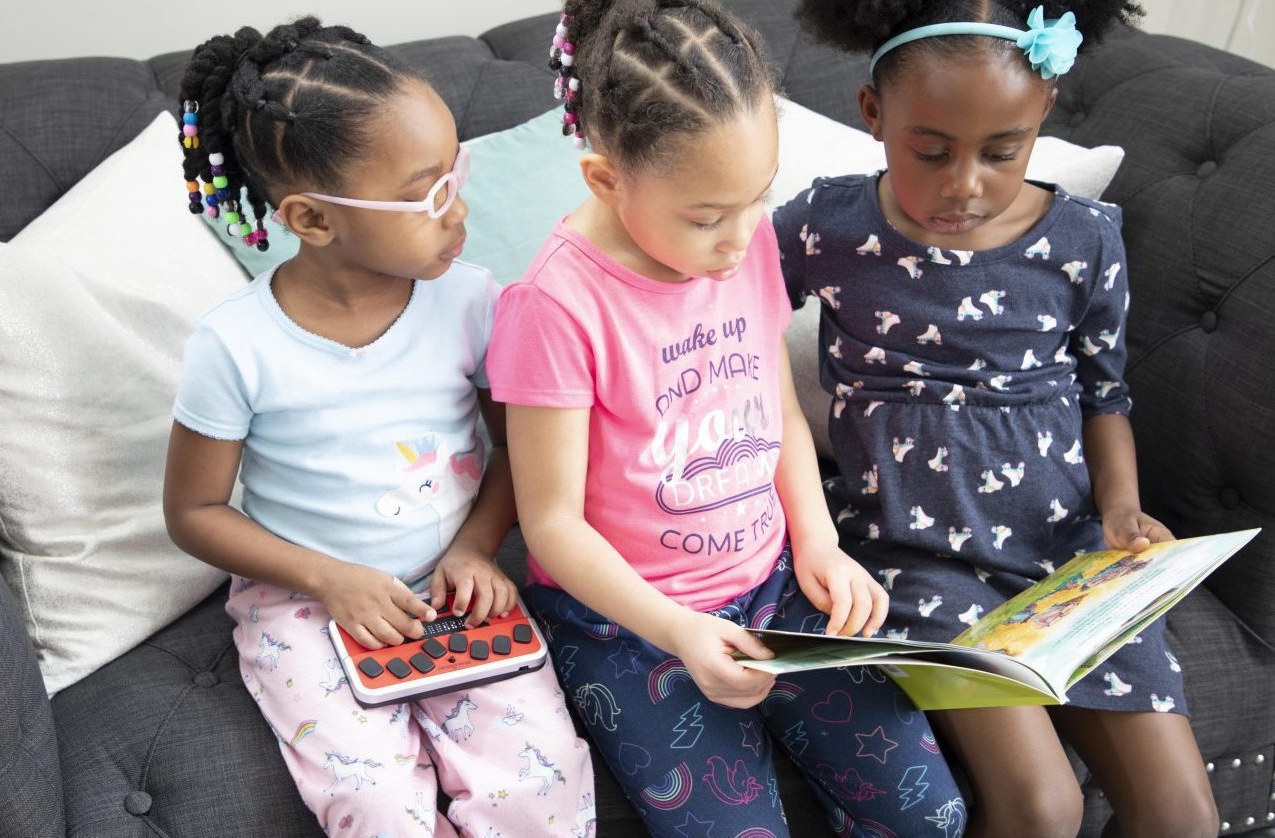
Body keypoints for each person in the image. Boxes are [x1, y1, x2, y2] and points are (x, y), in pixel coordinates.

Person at [487, 2, 966, 835]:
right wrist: (677, 631)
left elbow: (773, 401)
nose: (742, 239)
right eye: (708, 217)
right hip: (628, 626)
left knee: (932, 815)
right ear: (606, 178)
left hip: (776, 587)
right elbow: (551, 524)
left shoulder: (743, 249)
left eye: (758, 201)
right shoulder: (553, 306)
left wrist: (818, 541)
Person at [774, 2, 1217, 835]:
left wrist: (1122, 507)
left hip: (1065, 560)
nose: (963, 184)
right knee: (1042, 808)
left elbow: (1106, 394)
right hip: (913, 563)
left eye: (1001, 152)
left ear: (1043, 113)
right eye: (930, 152)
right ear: (873, 114)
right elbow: (719, 315)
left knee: (1182, 816)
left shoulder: (1085, 239)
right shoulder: (827, 225)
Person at [162, 18, 592, 837]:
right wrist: (329, 580)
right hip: (304, 605)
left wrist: (473, 546)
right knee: (379, 810)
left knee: (540, 790)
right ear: (313, 220)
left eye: (455, 173)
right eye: (427, 193)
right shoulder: (234, 346)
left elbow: (517, 447)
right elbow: (194, 514)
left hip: (454, 587)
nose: (459, 207)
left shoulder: (471, 300)